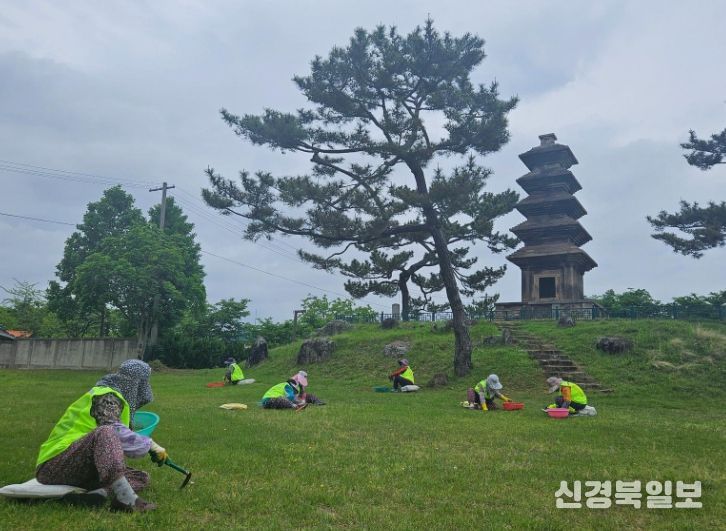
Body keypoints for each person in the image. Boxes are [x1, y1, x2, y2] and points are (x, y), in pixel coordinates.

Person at [35, 360, 166, 512]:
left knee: (140, 476)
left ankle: (98, 494)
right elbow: (113, 430)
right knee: (107, 431)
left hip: (79, 468)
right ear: (137, 382)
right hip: (55, 465)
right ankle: (126, 499)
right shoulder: (106, 396)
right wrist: (151, 445)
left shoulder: (116, 400)